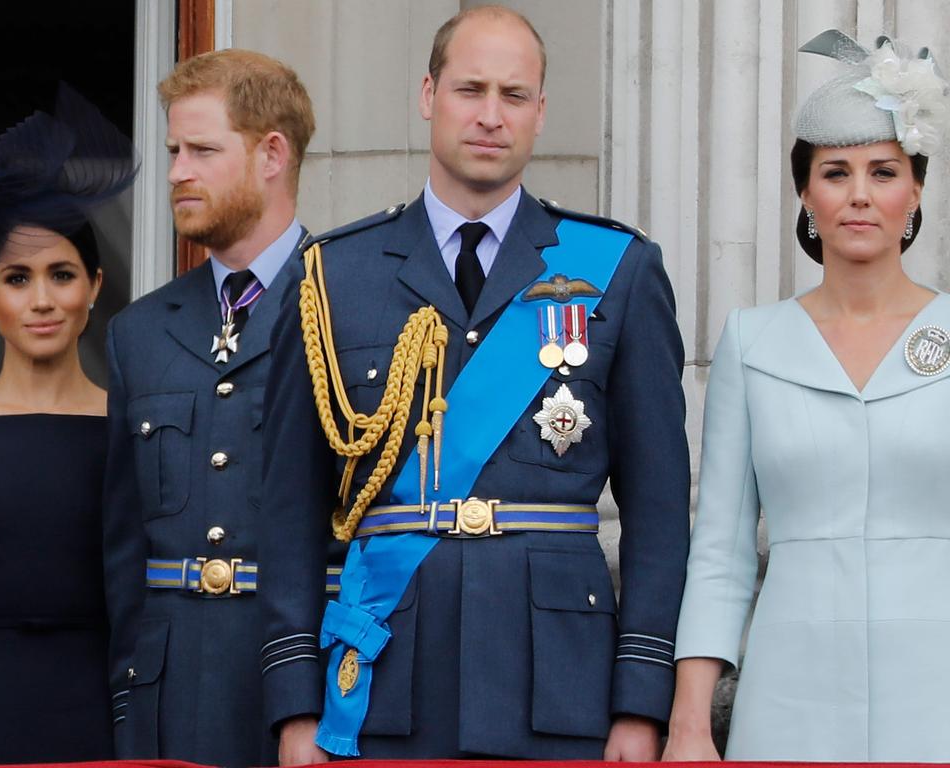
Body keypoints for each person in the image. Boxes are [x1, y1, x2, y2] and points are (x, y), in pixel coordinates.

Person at [258, 5, 690, 764]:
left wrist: (641, 702)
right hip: (383, 688)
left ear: (541, 112)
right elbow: (290, 511)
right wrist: (296, 706)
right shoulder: (334, 275)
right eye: (470, 90)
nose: (491, 116)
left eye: (514, 96)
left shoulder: (615, 269)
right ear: (428, 94)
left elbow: (658, 512)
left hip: (560, 689)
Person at [664, 30, 950, 762]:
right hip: (789, 698)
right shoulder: (753, 343)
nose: (859, 195)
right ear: (804, 192)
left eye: (883, 171)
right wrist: (691, 724)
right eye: (835, 172)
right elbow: (722, 552)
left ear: (915, 189)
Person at [102, 49, 316, 767]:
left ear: (272, 154)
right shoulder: (139, 332)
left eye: (201, 149)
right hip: (168, 700)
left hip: (305, 691)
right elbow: (125, 547)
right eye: (172, 151)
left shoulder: (349, 306)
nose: (175, 173)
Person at [0, 85, 136, 762]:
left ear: (95, 286)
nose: (42, 299)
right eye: (18, 278)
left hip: (108, 712)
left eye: (62, 274)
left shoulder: (136, 431)